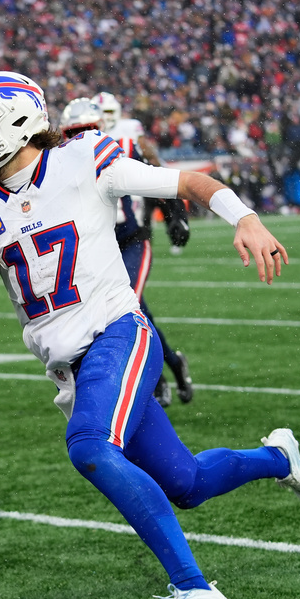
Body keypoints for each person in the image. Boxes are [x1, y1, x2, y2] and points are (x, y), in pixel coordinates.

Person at [0, 71, 300, 599]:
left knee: (89, 445)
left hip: (119, 332)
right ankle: (279, 458)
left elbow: (191, 182)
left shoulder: (84, 158)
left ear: (19, 120)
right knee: (187, 483)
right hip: (72, 367)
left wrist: (245, 218)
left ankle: (196, 589)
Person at [89, 93, 193, 406]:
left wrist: (175, 216)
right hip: (101, 245)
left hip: (134, 237)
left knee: (126, 308)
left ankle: (155, 380)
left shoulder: (128, 140)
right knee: (134, 311)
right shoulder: (73, 153)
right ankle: (173, 365)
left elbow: (159, 177)